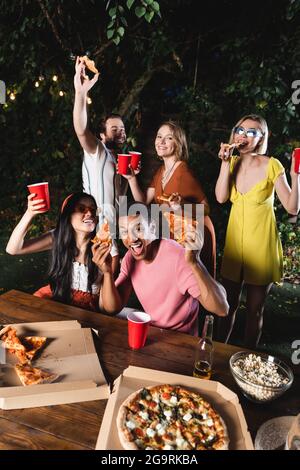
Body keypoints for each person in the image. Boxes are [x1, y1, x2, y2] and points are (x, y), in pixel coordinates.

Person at [215, 114, 300, 347]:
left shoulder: (273, 165)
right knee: (226, 305)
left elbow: (292, 207)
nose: (243, 135)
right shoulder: (231, 163)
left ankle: (247, 357)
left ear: (261, 138)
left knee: (254, 310)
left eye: (252, 132)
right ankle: (218, 353)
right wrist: (224, 163)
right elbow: (221, 197)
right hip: (235, 245)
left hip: (261, 245)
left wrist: (295, 176)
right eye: (240, 130)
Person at [91, 206, 228, 335]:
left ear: (153, 228)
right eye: (124, 232)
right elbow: (112, 308)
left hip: (183, 340)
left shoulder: (180, 257)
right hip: (152, 333)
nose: (132, 238)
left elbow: (222, 309)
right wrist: (107, 272)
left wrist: (194, 262)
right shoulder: (130, 258)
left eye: (139, 229)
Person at [120, 121, 216, 276]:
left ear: (178, 143)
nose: (161, 141)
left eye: (168, 138)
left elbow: (206, 208)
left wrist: (181, 205)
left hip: (193, 232)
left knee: (194, 281)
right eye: (159, 136)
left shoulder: (182, 172)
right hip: (174, 231)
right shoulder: (162, 171)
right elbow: (143, 201)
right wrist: (131, 179)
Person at [6, 192, 108, 311]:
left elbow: (107, 305)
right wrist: (30, 213)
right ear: (68, 215)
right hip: (56, 299)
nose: (89, 213)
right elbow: (13, 249)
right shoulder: (57, 237)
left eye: (93, 209)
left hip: (87, 311)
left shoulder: (103, 246)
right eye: (81, 209)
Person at [73, 56, 128, 271]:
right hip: (93, 225)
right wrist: (81, 93)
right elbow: (80, 130)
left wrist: (127, 177)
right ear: (102, 136)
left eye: (122, 128)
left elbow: (120, 198)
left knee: (107, 281)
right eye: (114, 129)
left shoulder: (117, 159)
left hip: (111, 227)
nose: (120, 131)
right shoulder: (97, 150)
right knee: (99, 280)